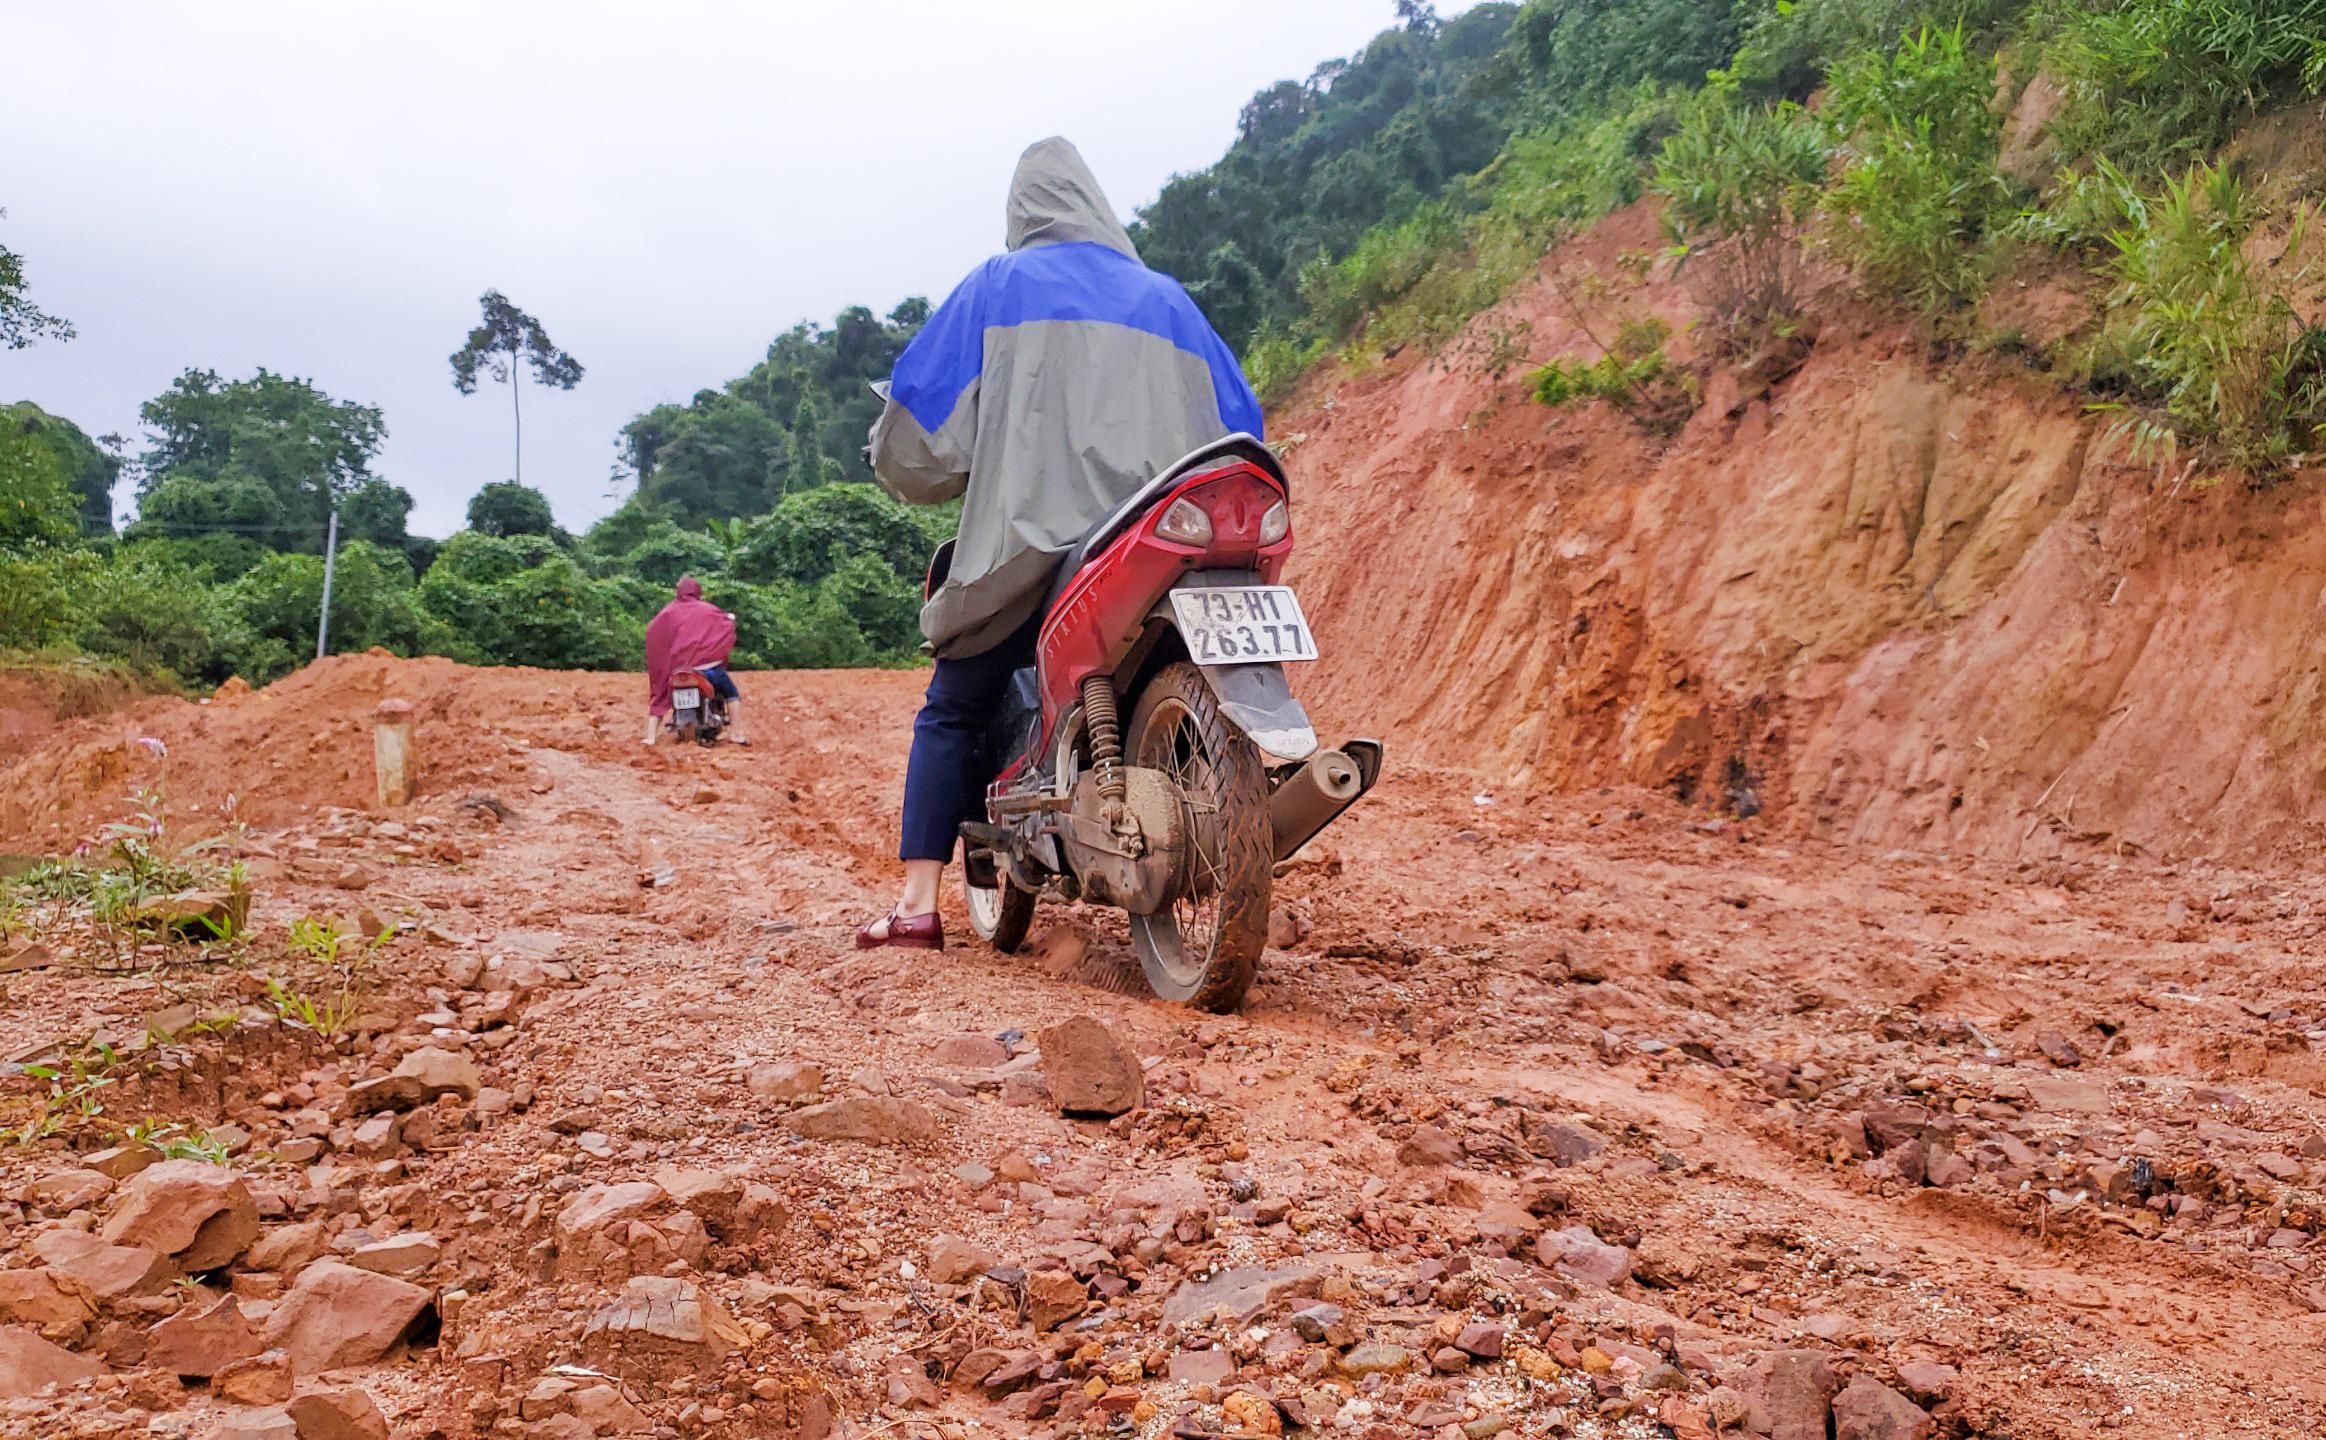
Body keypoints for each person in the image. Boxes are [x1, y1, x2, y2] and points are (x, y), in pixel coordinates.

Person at [855, 136, 1263, 950]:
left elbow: (920, 444)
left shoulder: (999, 287)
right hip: (1165, 546)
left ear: (1023, 212)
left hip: (1034, 553)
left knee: (953, 707)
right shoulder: (1169, 300)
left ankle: (914, 906)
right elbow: (1243, 430)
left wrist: (902, 458)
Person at [643, 576, 748, 746]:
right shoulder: (709, 610)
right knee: (732, 694)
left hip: (677, 671)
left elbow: (653, 632)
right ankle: (736, 733)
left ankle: (650, 737)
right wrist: (730, 619)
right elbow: (725, 624)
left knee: (660, 693)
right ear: (697, 591)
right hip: (708, 669)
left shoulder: (667, 613)